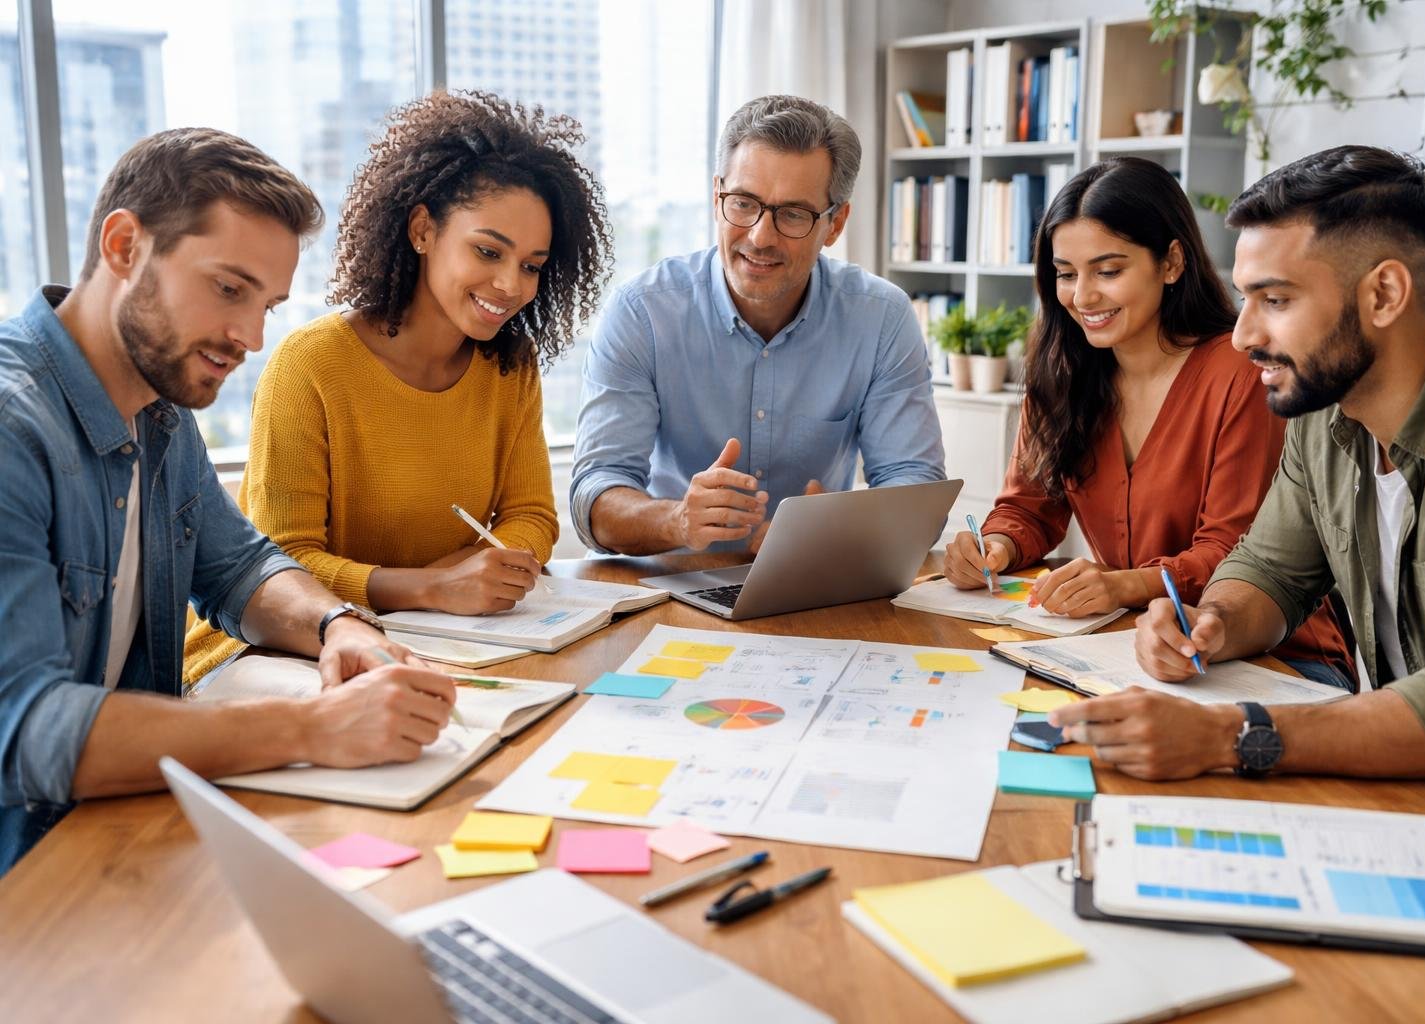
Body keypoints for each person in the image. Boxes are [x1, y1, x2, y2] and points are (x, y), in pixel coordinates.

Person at [0, 128, 457, 875]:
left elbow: (240, 568)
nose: (248, 336)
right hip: (32, 880)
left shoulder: (160, 408)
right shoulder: (12, 427)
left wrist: (337, 626)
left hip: (139, 832)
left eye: (268, 305)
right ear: (124, 247)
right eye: (228, 288)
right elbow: (25, 733)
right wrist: (312, 728)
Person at [1049, 146, 1425, 819]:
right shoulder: (1327, 414)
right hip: (1424, 794)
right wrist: (1208, 624)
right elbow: (1270, 570)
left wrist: (1231, 735)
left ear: (1384, 294)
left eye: (1275, 299)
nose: (1245, 336)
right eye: (1247, 299)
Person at [182, 91, 612, 683]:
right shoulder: (309, 366)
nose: (511, 284)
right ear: (421, 231)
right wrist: (433, 587)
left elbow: (532, 516)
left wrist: (476, 576)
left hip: (436, 640)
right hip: (274, 654)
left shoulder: (511, 366)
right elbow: (283, 567)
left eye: (533, 265)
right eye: (488, 251)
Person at [943, 157, 1351, 688]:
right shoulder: (1060, 370)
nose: (1083, 297)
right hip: (1133, 644)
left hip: (1276, 656)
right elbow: (1029, 508)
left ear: (1172, 262)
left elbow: (1235, 555)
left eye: (1108, 271)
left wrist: (1122, 585)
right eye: (1066, 274)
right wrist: (994, 548)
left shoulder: (1241, 374)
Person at [570, 94, 945, 555]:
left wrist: (844, 531)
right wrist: (677, 521)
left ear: (835, 223)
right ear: (716, 196)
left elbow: (916, 484)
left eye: (792, 214)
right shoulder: (642, 312)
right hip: (670, 583)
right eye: (744, 203)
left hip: (810, 587)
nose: (759, 237)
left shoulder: (881, 318)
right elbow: (595, 494)